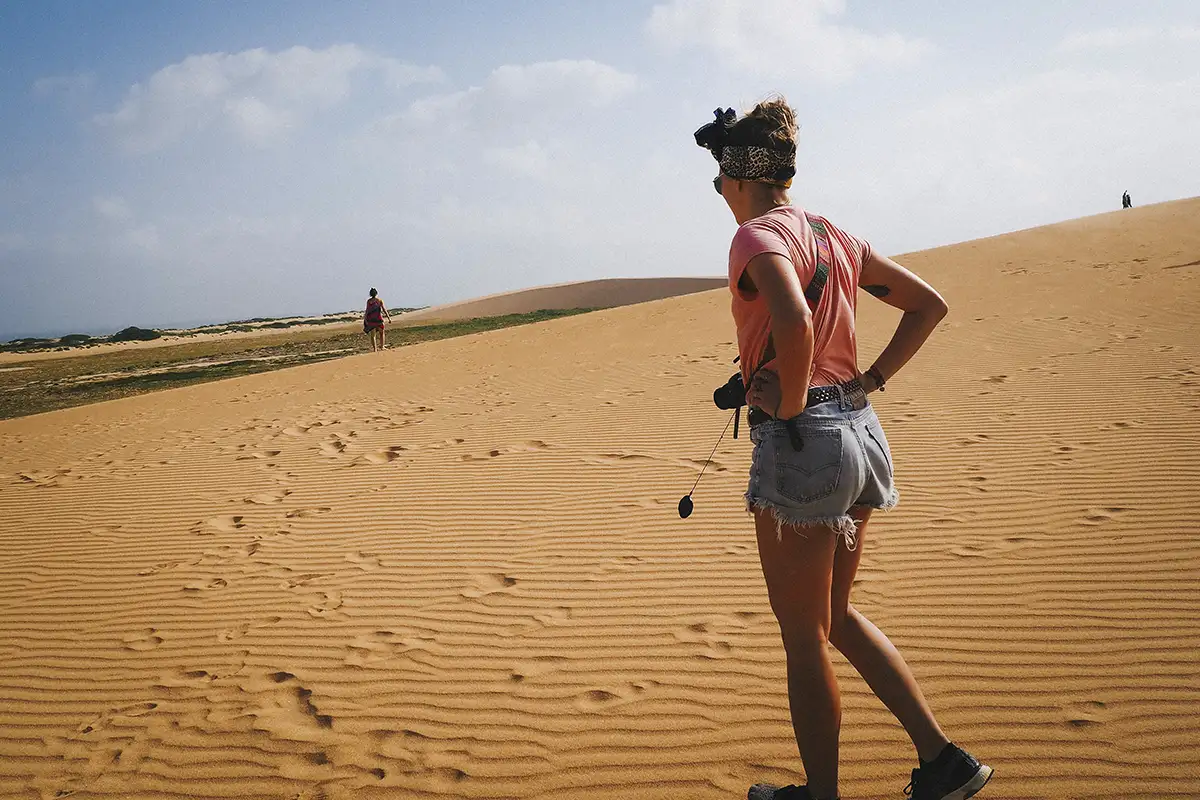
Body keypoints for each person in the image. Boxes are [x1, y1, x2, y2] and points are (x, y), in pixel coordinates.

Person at [694, 100, 993, 800]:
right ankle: (944, 762)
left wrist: (790, 404)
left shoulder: (754, 238)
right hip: (860, 432)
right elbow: (928, 304)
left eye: (718, 180)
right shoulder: (835, 235)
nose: (717, 194)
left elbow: (794, 319)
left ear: (739, 178)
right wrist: (870, 379)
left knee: (804, 636)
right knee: (837, 614)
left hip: (807, 446)